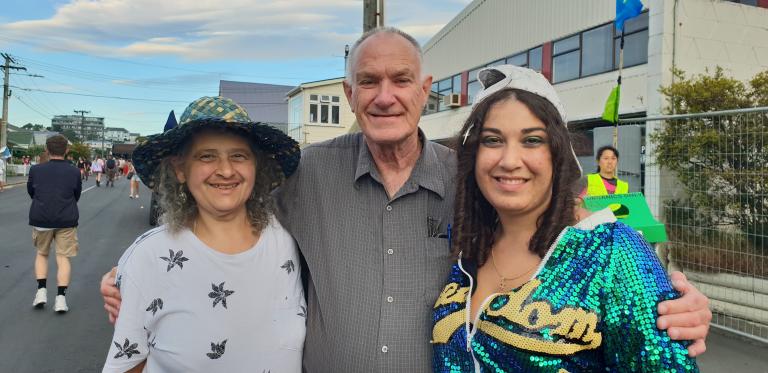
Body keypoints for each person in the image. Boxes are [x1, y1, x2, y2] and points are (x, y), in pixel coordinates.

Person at [102, 27, 712, 371]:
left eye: (401, 81)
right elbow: (224, 214)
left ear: (425, 91)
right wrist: (139, 269)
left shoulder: (473, 178)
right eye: (369, 81)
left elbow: (568, 213)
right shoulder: (306, 175)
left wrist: (669, 293)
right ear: (349, 91)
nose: (385, 96)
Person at [431, 65, 699, 372]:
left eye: (531, 140)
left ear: (557, 154)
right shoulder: (468, 243)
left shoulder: (612, 251)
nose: (509, 160)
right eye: (492, 140)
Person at [102, 97, 305, 373]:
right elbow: (127, 366)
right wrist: (124, 277)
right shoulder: (150, 257)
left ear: (256, 166)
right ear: (180, 169)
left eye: (239, 155)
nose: (225, 170)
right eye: (207, 156)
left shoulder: (289, 241)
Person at [28, 134, 82, 313]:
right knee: (63, 257)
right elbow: (77, 194)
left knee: (42, 254)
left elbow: (32, 192)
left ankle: (41, 292)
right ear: (67, 150)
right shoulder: (74, 171)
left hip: (41, 218)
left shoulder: (36, 170)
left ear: (47, 150)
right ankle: (60, 299)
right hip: (66, 219)